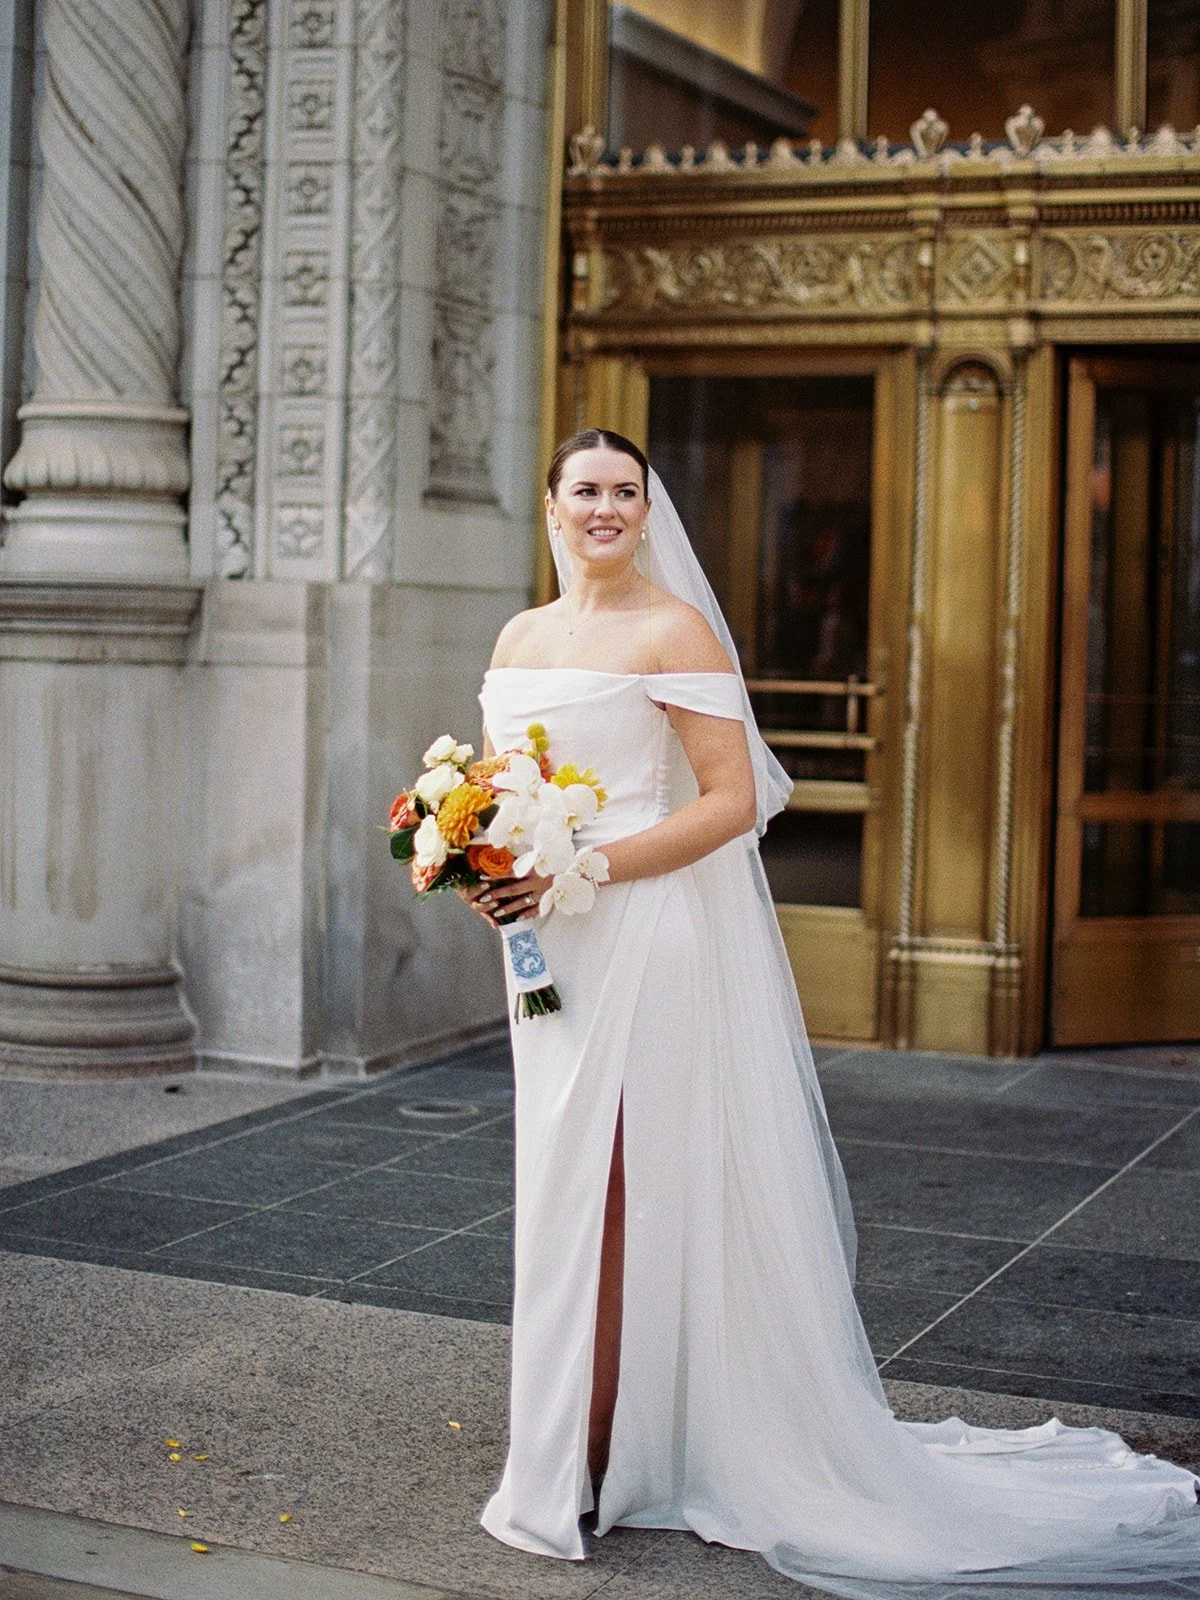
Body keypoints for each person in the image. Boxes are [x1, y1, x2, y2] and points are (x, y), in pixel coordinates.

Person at [458, 429, 1200, 1597]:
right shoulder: (520, 636)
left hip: (644, 934)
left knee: (621, 1181)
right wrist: (487, 864)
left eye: (626, 492)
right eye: (585, 489)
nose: (605, 508)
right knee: (561, 1179)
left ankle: (602, 1448)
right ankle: (579, 1437)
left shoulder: (673, 627)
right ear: (549, 506)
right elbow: (505, 791)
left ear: (648, 512)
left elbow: (732, 800)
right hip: (550, 951)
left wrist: (581, 870)